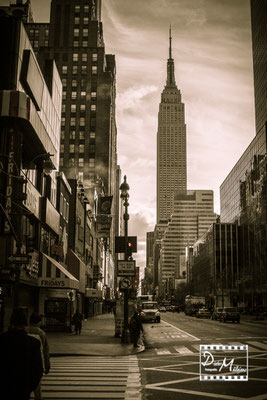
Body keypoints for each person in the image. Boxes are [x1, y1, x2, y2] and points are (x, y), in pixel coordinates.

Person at [0, 308, 43, 400]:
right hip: (23, 388)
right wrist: (28, 388)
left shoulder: (2, 339)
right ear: (25, 323)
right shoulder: (33, 343)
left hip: (4, 387)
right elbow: (38, 370)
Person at [27, 312, 51, 400]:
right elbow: (45, 350)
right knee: (37, 390)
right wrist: (47, 366)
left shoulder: (24, 330)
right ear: (39, 322)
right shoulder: (41, 333)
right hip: (37, 363)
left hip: (24, 363)